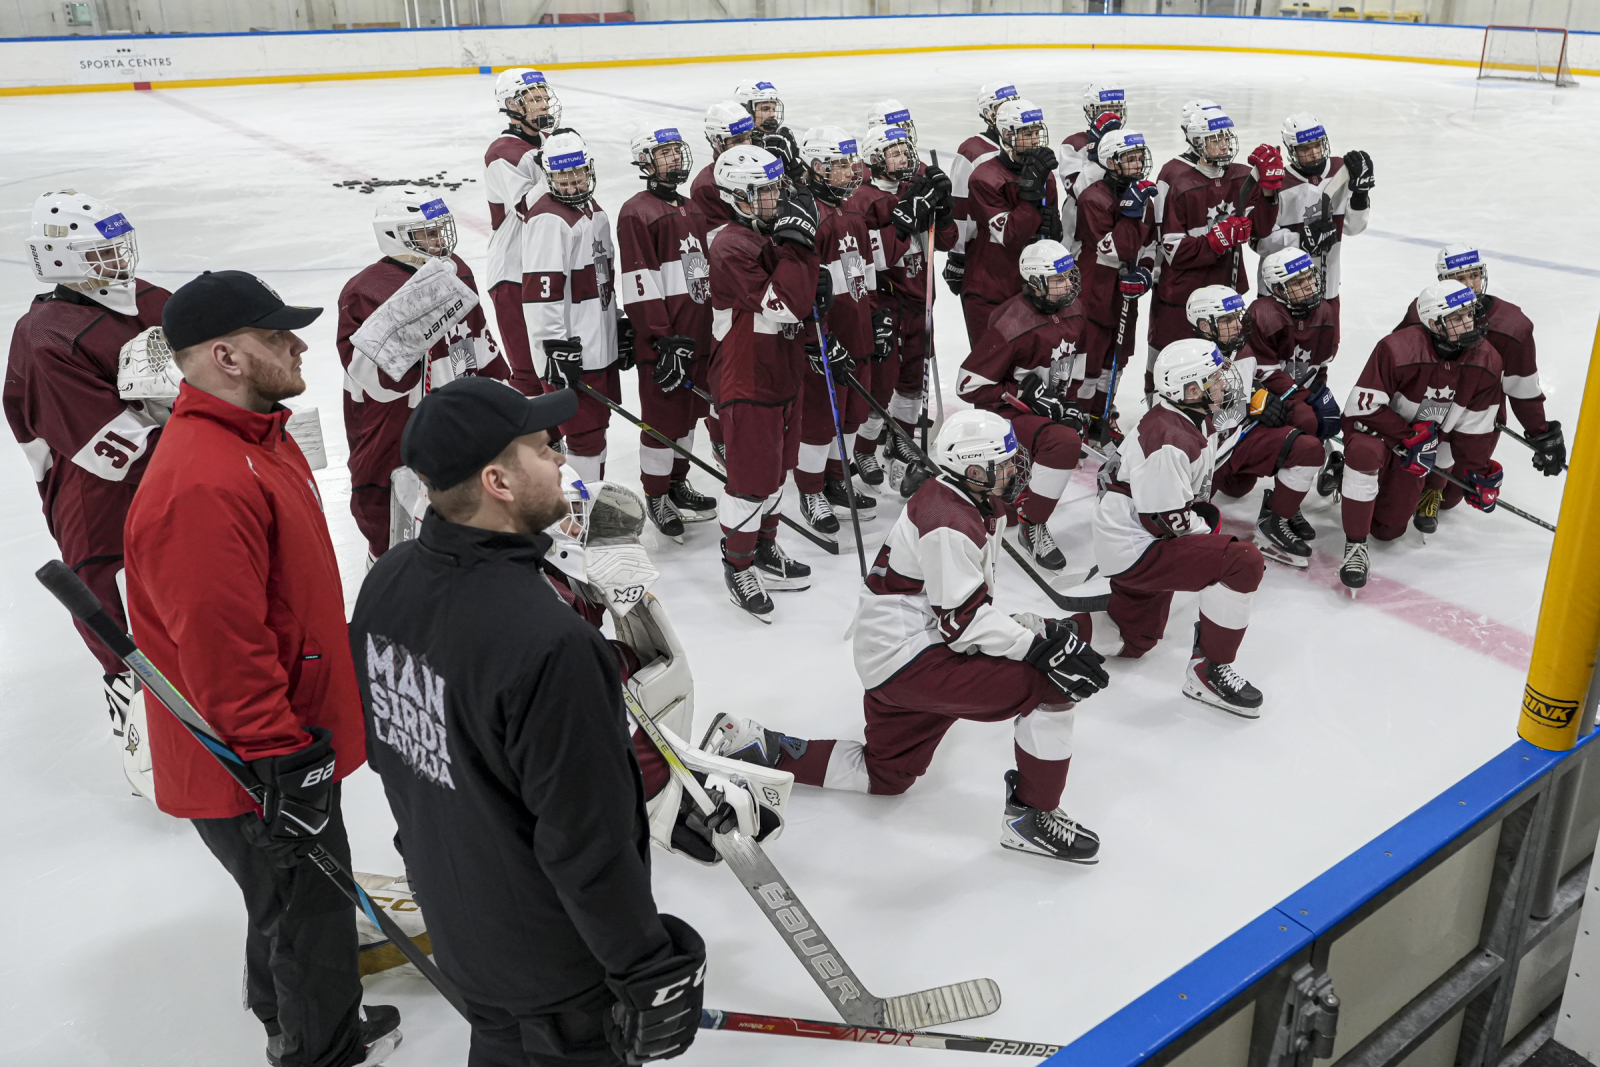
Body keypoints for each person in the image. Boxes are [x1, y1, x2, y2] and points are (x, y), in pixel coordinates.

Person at [351, 378, 704, 1067]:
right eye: (544, 449)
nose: (562, 461)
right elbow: (587, 843)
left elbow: (396, 757)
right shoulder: (551, 644)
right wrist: (646, 969)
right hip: (560, 974)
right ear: (498, 482)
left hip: (465, 934)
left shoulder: (386, 582)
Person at [123, 270, 401, 1067]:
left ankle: (289, 1015)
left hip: (284, 734)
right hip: (258, 756)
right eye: (277, 336)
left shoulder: (255, 441)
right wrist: (280, 757)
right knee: (308, 911)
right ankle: (320, 1049)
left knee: (284, 896)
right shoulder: (203, 480)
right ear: (227, 356)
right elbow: (222, 648)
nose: (299, 346)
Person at [699, 409, 1109, 864]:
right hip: (911, 659)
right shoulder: (949, 519)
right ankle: (1031, 816)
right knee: (1051, 683)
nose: (1016, 469)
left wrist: (1030, 629)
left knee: (886, 776)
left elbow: (958, 606)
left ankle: (759, 747)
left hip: (897, 651)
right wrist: (1036, 645)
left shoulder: (962, 501)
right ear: (975, 472)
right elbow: (962, 623)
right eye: (1005, 461)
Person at [5, 189, 170, 735]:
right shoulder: (45, 334)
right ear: (59, 259)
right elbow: (112, 448)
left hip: (170, 475)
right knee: (119, 615)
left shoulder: (151, 298)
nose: (118, 259)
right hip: (96, 500)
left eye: (119, 246)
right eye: (101, 252)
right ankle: (137, 723)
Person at [1091, 338, 1267, 716]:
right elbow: (1163, 520)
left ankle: (1041, 632)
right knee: (1241, 561)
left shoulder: (1185, 418)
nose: (1224, 385)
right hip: (1138, 546)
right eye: (1213, 380)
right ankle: (1209, 672)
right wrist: (1211, 543)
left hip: (1130, 536)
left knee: (1133, 638)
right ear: (1189, 390)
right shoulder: (1169, 439)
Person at [337, 192, 507, 564]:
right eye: (427, 234)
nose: (440, 240)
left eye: (440, 230)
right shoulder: (366, 291)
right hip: (394, 432)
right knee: (392, 529)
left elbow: (478, 340)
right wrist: (411, 325)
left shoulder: (456, 269)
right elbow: (374, 382)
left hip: (458, 425)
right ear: (395, 237)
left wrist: (505, 396)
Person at [708, 145, 822, 619]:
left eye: (777, 187)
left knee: (776, 475)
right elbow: (784, 305)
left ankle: (764, 547)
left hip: (781, 372)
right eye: (763, 191)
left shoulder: (765, 233)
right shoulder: (729, 245)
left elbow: (801, 297)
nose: (776, 198)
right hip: (747, 379)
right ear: (736, 196)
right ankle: (737, 564)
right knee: (750, 484)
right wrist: (803, 250)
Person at [1337, 281, 1504, 590]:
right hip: (1380, 434)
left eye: (1469, 313)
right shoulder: (1397, 348)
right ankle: (1355, 545)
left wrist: (1477, 473)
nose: (1468, 322)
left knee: (1388, 530)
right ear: (1434, 323)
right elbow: (1360, 408)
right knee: (1363, 453)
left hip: (1422, 448)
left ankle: (1351, 481)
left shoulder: (1488, 360)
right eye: (1457, 318)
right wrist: (1406, 435)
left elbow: (1473, 429)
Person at [1394, 244, 1563, 530]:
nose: (1469, 285)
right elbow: (1396, 358)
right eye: (1459, 278)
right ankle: (1421, 487)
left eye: (1473, 275)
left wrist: (1540, 432)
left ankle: (1434, 489)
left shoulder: (1513, 326)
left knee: (1452, 497)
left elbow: (1521, 386)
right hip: (1430, 405)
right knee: (1403, 486)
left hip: (1480, 412)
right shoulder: (1425, 310)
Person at [956, 240, 1090, 572]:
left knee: (1068, 438)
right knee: (1063, 444)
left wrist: (1071, 403)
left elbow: (1075, 364)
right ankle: (1034, 524)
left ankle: (1025, 508)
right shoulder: (1012, 322)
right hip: (1005, 414)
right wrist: (1022, 394)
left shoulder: (1074, 309)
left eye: (1069, 277)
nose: (1068, 286)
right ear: (1035, 282)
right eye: (1058, 280)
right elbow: (967, 385)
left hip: (1041, 412)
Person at [616, 125, 720, 539]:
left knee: (689, 416)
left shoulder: (693, 208)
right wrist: (660, 338)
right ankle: (656, 493)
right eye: (664, 153)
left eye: (677, 150)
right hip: (665, 342)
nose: (674, 158)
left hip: (698, 334)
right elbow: (639, 279)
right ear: (645, 161)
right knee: (661, 420)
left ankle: (677, 482)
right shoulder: (636, 212)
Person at [848, 122, 956, 496]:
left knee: (912, 382)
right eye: (894, 152)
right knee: (881, 384)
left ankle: (902, 444)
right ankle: (864, 449)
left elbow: (946, 241)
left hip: (919, 301)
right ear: (875, 159)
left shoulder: (916, 188)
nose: (904, 157)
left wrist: (944, 209)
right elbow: (873, 258)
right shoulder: (863, 199)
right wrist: (906, 216)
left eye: (905, 150)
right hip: (887, 304)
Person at [1185, 285, 1326, 566]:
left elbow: (1251, 382)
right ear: (1204, 326)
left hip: (1235, 444)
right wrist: (1251, 400)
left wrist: (1261, 396)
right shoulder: (1184, 360)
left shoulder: (1243, 348)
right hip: (1197, 460)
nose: (1238, 325)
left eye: (1237, 317)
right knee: (1184, 538)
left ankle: (1275, 520)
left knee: (1308, 447)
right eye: (1228, 320)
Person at [1148, 106, 1281, 397]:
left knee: (1222, 368)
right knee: (1169, 361)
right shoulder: (1176, 178)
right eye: (1215, 139)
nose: (1224, 145)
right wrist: (1214, 241)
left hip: (1224, 290)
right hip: (1180, 295)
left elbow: (1260, 230)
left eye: (1226, 137)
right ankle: (1160, 413)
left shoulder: (1242, 176)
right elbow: (1172, 250)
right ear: (1197, 143)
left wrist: (1269, 192)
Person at [521, 128, 621, 486]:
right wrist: (554, 347)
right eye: (562, 175)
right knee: (584, 436)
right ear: (549, 177)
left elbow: (601, 280)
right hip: (572, 351)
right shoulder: (548, 219)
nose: (572, 181)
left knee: (597, 429)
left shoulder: (595, 212)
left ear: (588, 169)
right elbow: (541, 294)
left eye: (577, 172)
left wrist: (616, 322)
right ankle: (583, 510)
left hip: (597, 345)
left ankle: (593, 498)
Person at [794, 125, 878, 535]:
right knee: (820, 421)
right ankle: (810, 490)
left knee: (850, 417)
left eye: (850, 163)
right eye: (839, 164)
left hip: (857, 332)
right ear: (816, 167)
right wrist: (818, 340)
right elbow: (803, 290)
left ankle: (834, 478)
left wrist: (877, 319)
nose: (850, 171)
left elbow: (866, 274)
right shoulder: (808, 216)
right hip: (828, 340)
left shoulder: (852, 212)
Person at [1073, 129, 1160, 431]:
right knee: (1089, 365)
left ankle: (1102, 417)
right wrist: (1130, 214)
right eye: (1130, 158)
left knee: (1116, 362)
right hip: (1093, 295)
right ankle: (1079, 421)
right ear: (1110, 162)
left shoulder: (1142, 197)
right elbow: (1113, 250)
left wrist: (1145, 272)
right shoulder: (1092, 198)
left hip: (1124, 295)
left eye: (1139, 157)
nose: (1138, 164)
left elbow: (1150, 245)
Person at [1255, 112, 1372, 330]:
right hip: (1280, 293)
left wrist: (1360, 194)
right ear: (1291, 150)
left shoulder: (1342, 171)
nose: (1315, 153)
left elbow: (1353, 227)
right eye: (1305, 149)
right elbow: (1259, 241)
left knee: (1324, 348)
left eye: (1318, 145)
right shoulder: (1276, 181)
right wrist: (1301, 240)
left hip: (1327, 288)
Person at [1243, 248, 1344, 496]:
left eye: (1309, 277)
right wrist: (1306, 401)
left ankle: (1326, 462)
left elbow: (1319, 367)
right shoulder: (1262, 313)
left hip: (1298, 391)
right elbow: (1264, 373)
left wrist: (1319, 394)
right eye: (1298, 282)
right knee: (1306, 419)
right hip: (1262, 395)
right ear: (1278, 289)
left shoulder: (1325, 312)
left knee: (1332, 420)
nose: (1309, 285)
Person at [963, 98, 1064, 345]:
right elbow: (1010, 235)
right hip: (989, 293)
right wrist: (1031, 193)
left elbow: (1046, 231)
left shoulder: (1047, 176)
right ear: (1007, 134)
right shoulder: (984, 178)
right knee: (991, 365)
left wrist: (1053, 233)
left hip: (1031, 293)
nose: (1035, 140)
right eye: (1027, 134)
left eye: (1036, 133)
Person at [485, 68, 559, 395]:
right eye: (534, 99)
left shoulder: (548, 142)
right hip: (513, 273)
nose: (544, 104)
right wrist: (553, 164)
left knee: (556, 367)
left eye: (544, 97)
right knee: (529, 374)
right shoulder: (501, 153)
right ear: (513, 106)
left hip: (546, 266)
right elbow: (527, 209)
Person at [944, 82, 1020, 302]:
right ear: (988, 113)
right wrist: (958, 255)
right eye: (1002, 105)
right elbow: (960, 205)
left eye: (1014, 102)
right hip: (985, 250)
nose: (1011, 109)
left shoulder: (1026, 144)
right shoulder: (972, 151)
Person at [689, 100, 757, 244]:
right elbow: (724, 244)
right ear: (717, 143)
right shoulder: (706, 186)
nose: (747, 145)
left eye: (748, 137)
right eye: (738, 140)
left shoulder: (759, 167)